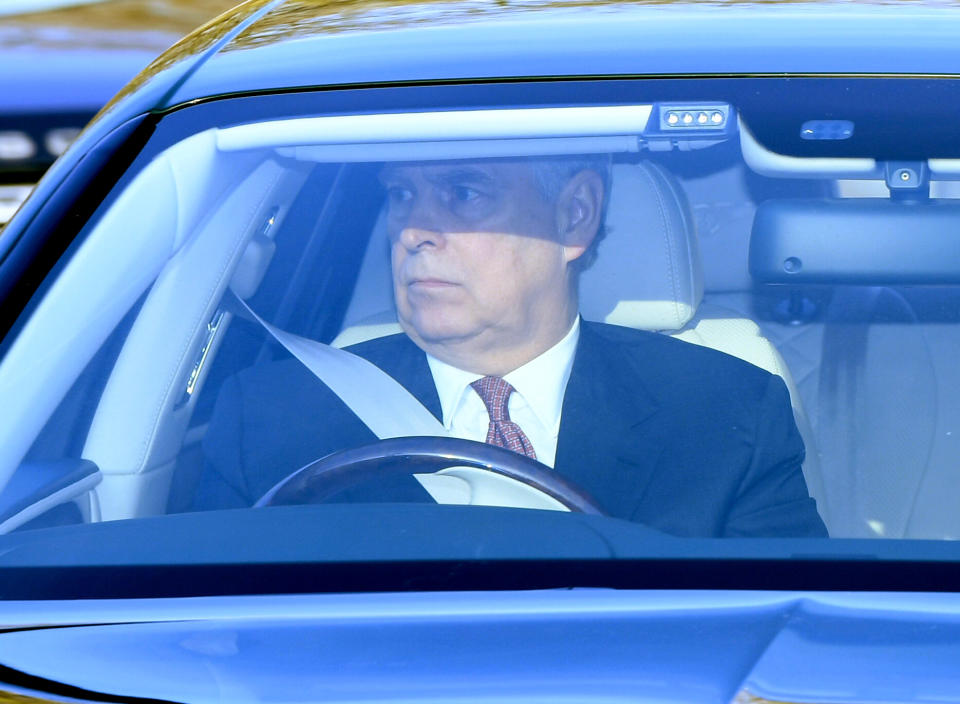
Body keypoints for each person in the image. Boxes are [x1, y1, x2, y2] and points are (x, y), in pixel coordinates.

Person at [198, 156, 827, 538]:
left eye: (463, 193)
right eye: (399, 196)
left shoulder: (726, 413)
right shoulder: (272, 415)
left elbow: (792, 634)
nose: (413, 231)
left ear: (575, 215)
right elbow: (211, 640)